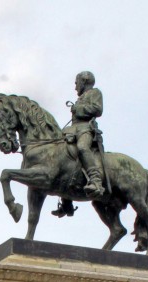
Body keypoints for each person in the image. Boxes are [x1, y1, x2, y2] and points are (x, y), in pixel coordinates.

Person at [53, 71, 105, 217]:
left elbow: (97, 109)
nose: (75, 86)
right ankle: (66, 202)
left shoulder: (95, 93)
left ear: (84, 81)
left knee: (82, 148)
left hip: (86, 129)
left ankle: (95, 180)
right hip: (73, 130)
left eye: (77, 83)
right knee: (59, 153)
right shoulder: (80, 97)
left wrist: (78, 109)